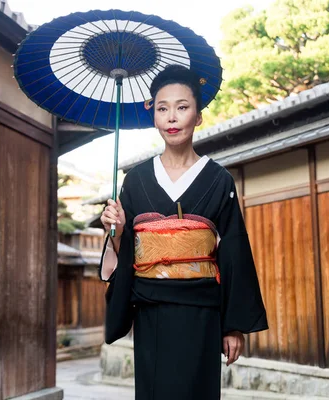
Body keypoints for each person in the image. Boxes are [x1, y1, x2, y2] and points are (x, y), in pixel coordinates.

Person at [99, 64, 267, 400]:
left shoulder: (219, 180)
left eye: (182, 107)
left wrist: (232, 326)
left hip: (202, 312)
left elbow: (233, 252)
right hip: (152, 311)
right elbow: (128, 251)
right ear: (154, 117)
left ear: (198, 115)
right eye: (162, 109)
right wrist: (114, 229)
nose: (172, 117)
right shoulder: (136, 180)